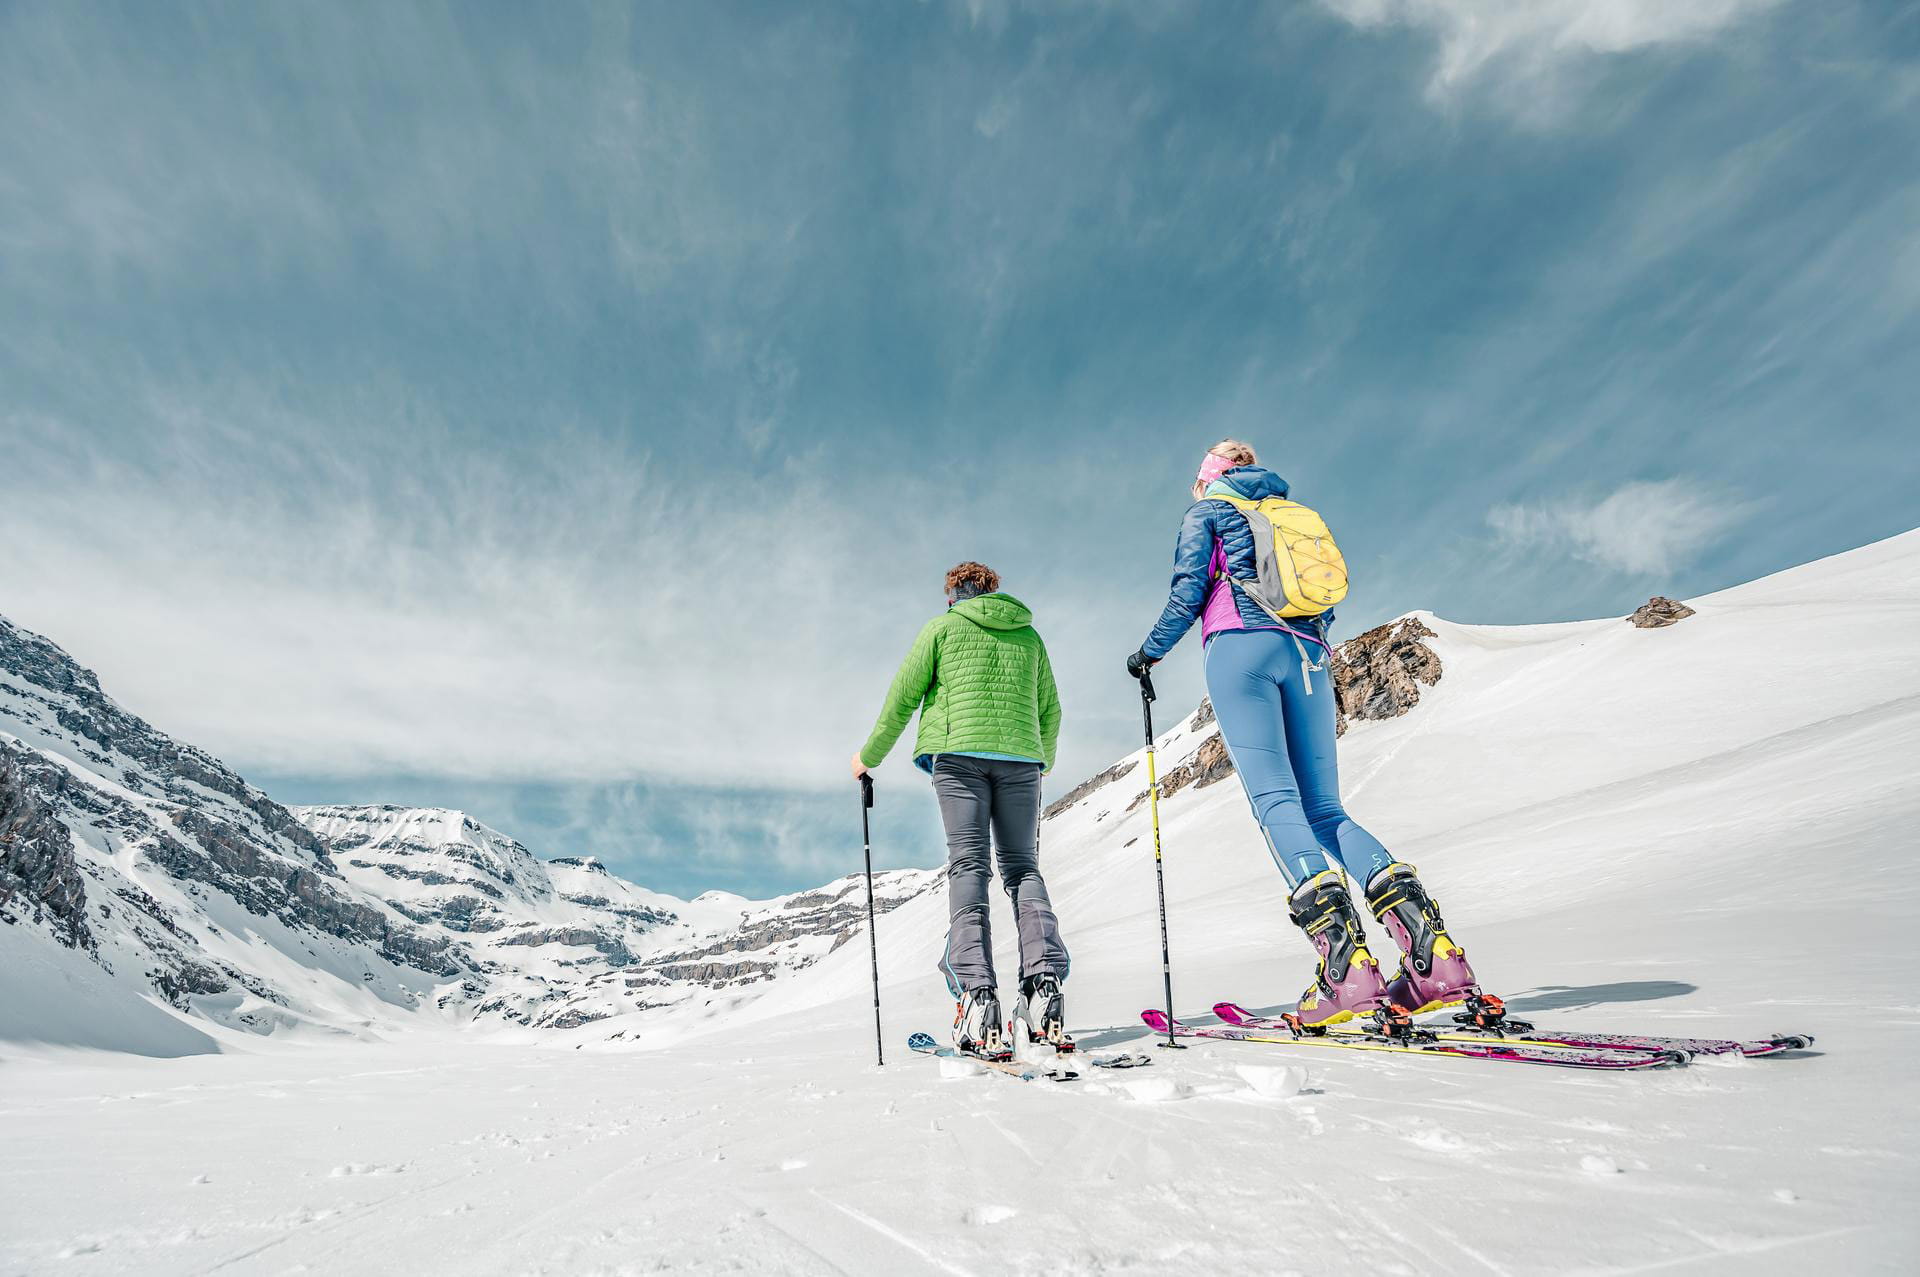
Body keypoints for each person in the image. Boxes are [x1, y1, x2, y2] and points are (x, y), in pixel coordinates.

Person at [1126, 440, 1482, 1029]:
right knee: (1324, 808)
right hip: (1311, 654)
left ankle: (1348, 974)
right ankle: (1434, 961)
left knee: (1276, 801)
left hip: (1242, 646)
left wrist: (1148, 655)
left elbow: (1189, 590)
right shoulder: (1288, 514)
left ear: (1208, 479)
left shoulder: (1210, 511)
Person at [852, 561, 1069, 1057]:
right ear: (994, 590)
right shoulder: (1028, 636)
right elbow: (1050, 708)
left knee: (970, 864)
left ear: (954, 592)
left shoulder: (942, 628)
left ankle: (977, 995)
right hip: (1021, 761)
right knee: (1022, 868)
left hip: (959, 758)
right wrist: (1043, 759)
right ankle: (1043, 988)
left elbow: (902, 698)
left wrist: (868, 758)